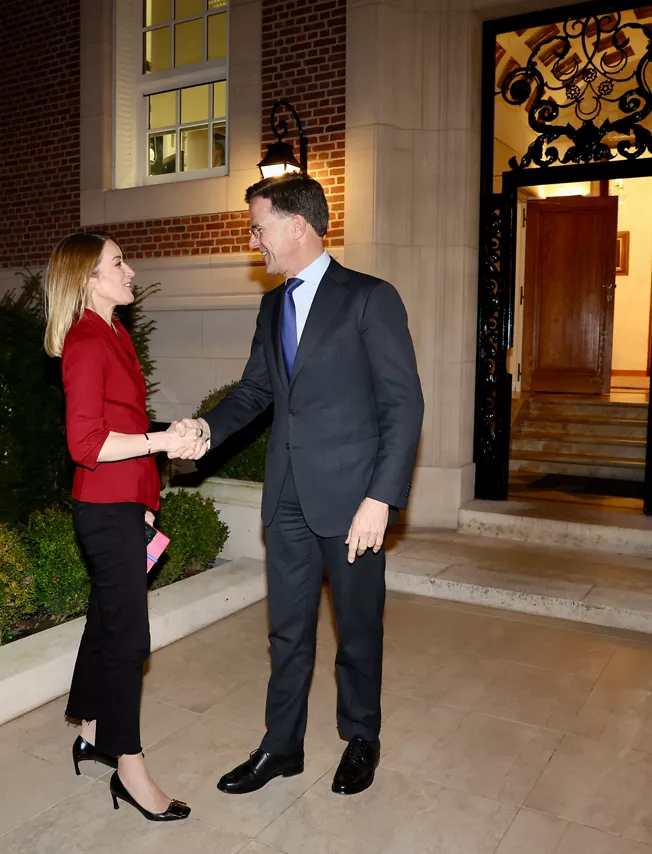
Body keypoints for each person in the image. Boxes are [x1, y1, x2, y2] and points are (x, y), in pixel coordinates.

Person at [177, 174, 423, 796]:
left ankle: (360, 737)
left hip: (353, 501)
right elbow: (259, 392)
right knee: (286, 631)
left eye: (258, 228)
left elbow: (403, 405)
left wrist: (381, 498)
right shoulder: (270, 306)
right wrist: (205, 430)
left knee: (357, 629)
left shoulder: (370, 298)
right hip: (286, 496)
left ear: (296, 226)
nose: (253, 242)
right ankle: (281, 746)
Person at [43, 232, 198, 822]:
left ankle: (89, 725)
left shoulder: (115, 334)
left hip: (123, 505)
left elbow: (124, 423)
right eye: (118, 263)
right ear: (88, 277)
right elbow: (85, 443)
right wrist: (161, 441)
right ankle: (128, 766)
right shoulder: (86, 340)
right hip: (104, 512)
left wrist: (157, 464)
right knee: (131, 639)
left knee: (107, 620)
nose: (131, 271)